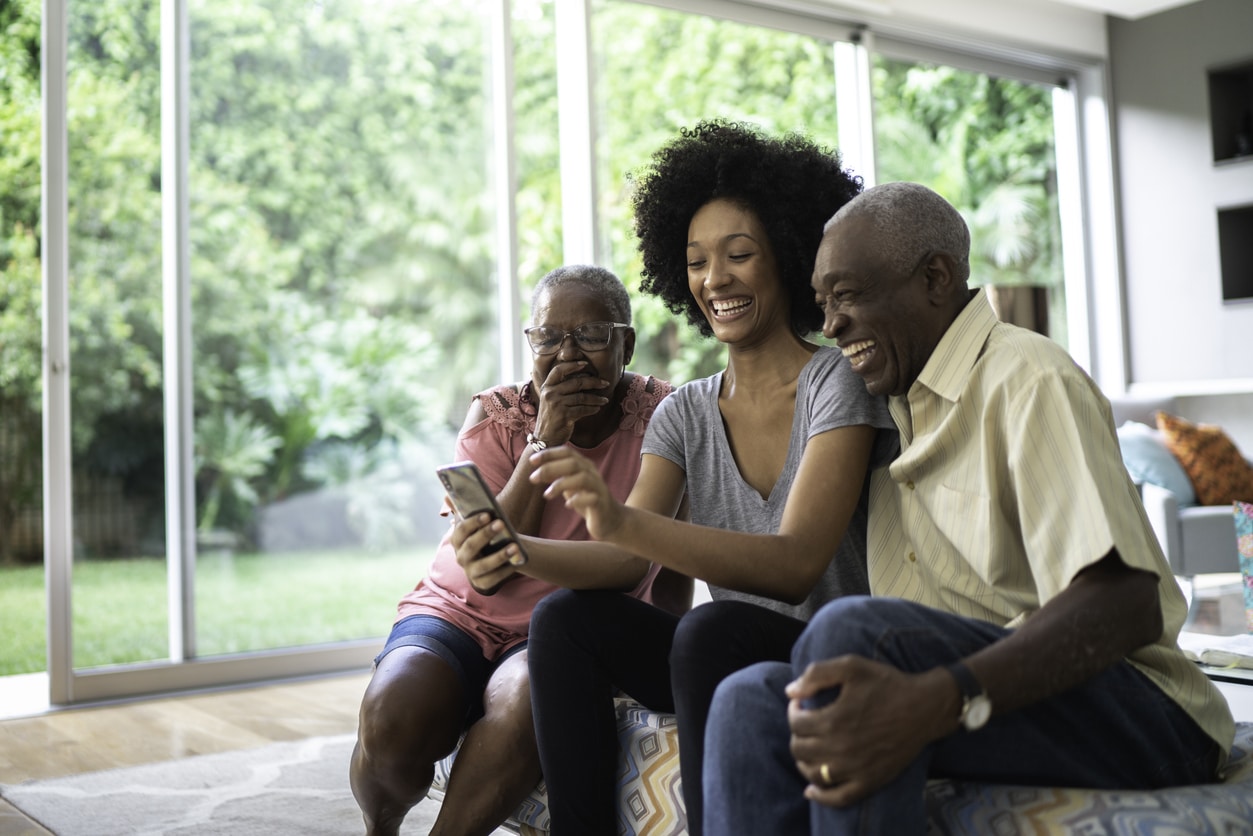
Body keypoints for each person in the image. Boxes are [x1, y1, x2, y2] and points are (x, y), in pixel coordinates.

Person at [702, 181, 1236, 834]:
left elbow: (1121, 603)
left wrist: (937, 698)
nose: (830, 324)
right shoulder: (892, 407)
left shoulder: (1026, 378)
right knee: (743, 702)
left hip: (1144, 712)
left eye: (845, 296)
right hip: (1008, 696)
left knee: (858, 636)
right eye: (821, 303)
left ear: (935, 278)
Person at [494, 121, 897, 835]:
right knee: (564, 619)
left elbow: (797, 564)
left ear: (786, 256)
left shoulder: (837, 382)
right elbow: (623, 565)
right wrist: (514, 551)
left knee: (707, 630)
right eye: (697, 261)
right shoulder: (682, 411)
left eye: (739, 254)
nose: (715, 279)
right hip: (717, 641)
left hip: (829, 646)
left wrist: (622, 522)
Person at [349, 264, 674, 836]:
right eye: (549, 337)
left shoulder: (661, 418)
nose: (568, 355)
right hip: (458, 610)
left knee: (524, 702)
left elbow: (661, 563)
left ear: (626, 340)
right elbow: (488, 572)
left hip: (560, 632)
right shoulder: (495, 415)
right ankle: (382, 825)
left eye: (592, 335)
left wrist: (661, 648)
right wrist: (544, 438)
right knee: (390, 726)